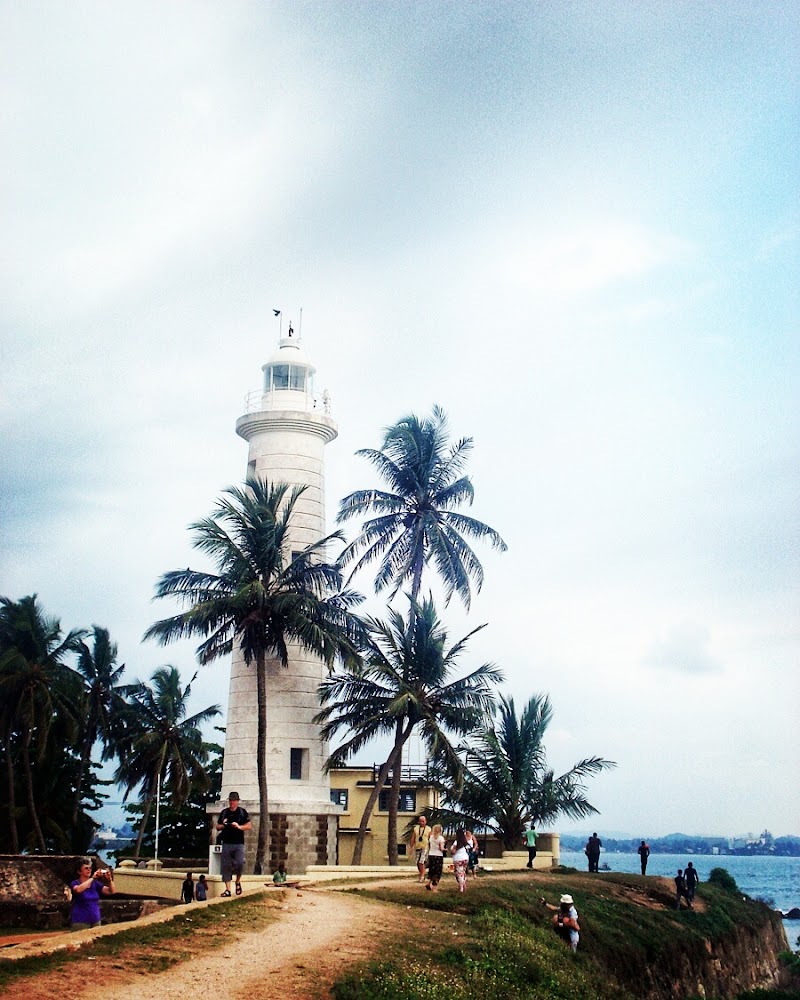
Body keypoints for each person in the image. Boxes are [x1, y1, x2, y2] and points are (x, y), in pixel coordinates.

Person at [217, 791, 252, 897]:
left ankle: (237, 881)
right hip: (227, 842)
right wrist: (225, 825)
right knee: (226, 866)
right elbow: (217, 827)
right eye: (231, 800)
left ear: (237, 801)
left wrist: (239, 827)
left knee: (240, 863)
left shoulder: (242, 812)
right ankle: (228, 889)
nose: (232, 802)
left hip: (238, 843)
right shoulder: (224, 813)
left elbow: (249, 826)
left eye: (234, 800)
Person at [69, 859, 116, 930]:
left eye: (90, 868)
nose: (89, 870)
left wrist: (109, 880)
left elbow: (111, 891)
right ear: (79, 871)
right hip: (80, 921)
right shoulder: (75, 883)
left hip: (95, 920)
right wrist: (92, 878)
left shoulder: (95, 884)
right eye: (86, 868)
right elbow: (78, 890)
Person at [410, 815, 431, 883]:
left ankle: (422, 876)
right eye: (420, 821)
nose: (422, 822)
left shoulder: (428, 829)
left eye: (423, 821)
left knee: (421, 862)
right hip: (417, 847)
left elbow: (430, 839)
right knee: (417, 862)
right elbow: (413, 838)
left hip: (425, 847)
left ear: (425, 821)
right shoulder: (416, 828)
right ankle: (422, 874)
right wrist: (411, 847)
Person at [425, 824, 446, 892]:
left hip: (431, 855)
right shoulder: (441, 838)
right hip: (438, 856)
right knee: (437, 872)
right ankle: (434, 888)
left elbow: (429, 846)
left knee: (432, 870)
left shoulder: (431, 837)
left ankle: (428, 883)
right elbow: (441, 848)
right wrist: (445, 850)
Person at [450, 827, 470, 893]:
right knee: (463, 872)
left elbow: (453, 851)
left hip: (458, 859)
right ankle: (464, 886)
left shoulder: (456, 842)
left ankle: (461, 887)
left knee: (459, 873)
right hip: (465, 858)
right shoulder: (465, 843)